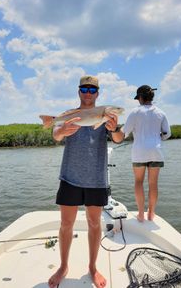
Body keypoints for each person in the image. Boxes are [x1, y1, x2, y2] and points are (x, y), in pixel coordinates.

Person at [47, 75, 122, 288]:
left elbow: (118, 138)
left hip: (96, 179)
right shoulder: (70, 114)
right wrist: (60, 130)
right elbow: (56, 135)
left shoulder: (107, 117)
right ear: (79, 91)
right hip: (70, 177)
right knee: (66, 224)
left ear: (98, 93)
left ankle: (92, 266)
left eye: (92, 90)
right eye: (84, 89)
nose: (88, 93)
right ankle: (63, 266)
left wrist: (114, 128)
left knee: (93, 223)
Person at [115, 85, 171, 222]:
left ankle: (140, 214)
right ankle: (151, 213)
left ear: (140, 97)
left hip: (139, 151)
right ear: (151, 97)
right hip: (156, 151)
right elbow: (167, 134)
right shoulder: (161, 113)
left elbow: (124, 132)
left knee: (138, 182)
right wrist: (158, 138)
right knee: (153, 184)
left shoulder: (135, 112)